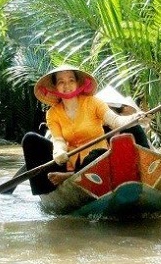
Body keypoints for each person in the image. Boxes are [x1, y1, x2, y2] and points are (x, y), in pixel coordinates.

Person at [21, 65, 142, 195]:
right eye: (61, 82)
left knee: (97, 154)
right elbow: (58, 140)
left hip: (97, 161)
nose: (66, 85)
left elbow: (116, 121)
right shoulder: (52, 113)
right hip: (70, 161)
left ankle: (72, 176)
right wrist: (59, 151)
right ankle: (47, 193)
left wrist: (135, 118)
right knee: (30, 139)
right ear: (55, 87)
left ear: (78, 83)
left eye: (71, 80)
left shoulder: (94, 102)